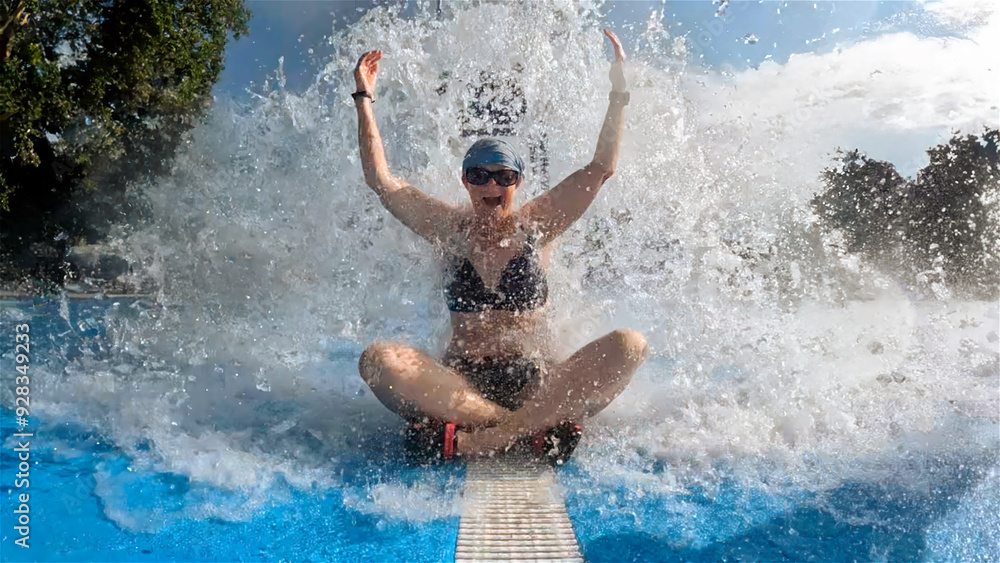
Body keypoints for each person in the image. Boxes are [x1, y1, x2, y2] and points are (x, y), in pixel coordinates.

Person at [352, 30, 647, 461]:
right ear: (465, 181)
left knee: (629, 345)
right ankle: (524, 428)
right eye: (480, 176)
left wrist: (619, 93)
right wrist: (364, 99)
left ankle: (481, 437)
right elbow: (381, 180)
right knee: (377, 360)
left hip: (537, 381)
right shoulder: (448, 228)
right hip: (461, 385)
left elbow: (601, 166)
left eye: (504, 177)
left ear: (517, 182)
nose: (492, 186)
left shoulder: (537, 225)